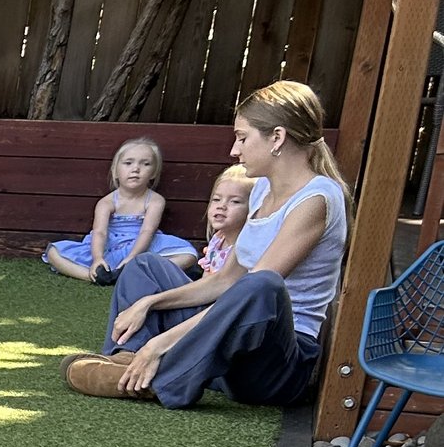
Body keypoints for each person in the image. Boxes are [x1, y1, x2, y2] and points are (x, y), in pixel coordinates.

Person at [63, 81, 350, 406]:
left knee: (263, 286)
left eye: (242, 137)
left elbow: (252, 294)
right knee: (146, 266)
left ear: (277, 138)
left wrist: (161, 344)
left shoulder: (316, 199)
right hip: (231, 345)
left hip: (275, 365)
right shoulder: (260, 190)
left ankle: (161, 378)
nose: (234, 150)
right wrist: (151, 302)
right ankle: (129, 364)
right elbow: (225, 281)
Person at [41, 137, 195, 284]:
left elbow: (147, 232)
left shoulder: (155, 200)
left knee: (189, 255)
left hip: (142, 245)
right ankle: (94, 275)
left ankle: (139, 272)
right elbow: (100, 232)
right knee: (54, 253)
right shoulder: (106, 202)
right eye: (128, 163)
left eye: (145, 164)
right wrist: (97, 259)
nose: (136, 169)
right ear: (115, 171)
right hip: (109, 245)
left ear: (154, 173)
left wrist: (133, 258)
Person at [185, 163, 253, 279]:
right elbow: (205, 279)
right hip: (205, 292)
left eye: (235, 201)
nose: (221, 206)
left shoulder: (247, 247)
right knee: (150, 261)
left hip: (227, 295)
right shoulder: (217, 239)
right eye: (216, 199)